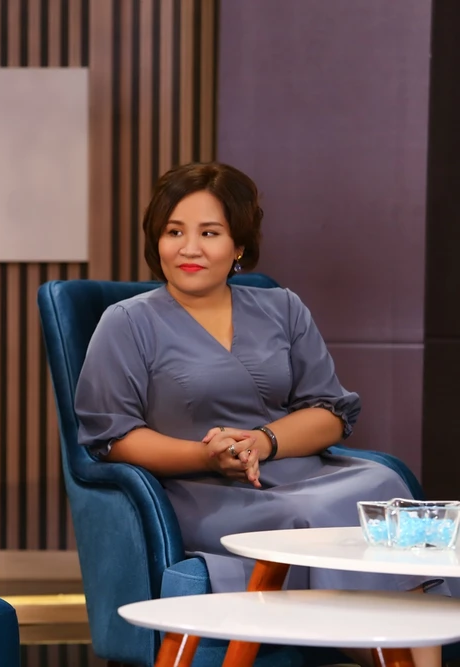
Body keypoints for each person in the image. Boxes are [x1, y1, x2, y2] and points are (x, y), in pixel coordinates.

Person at [74, 162, 440, 667]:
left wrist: (263, 441)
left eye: (209, 233)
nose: (189, 248)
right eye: (174, 232)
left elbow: (329, 411)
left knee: (382, 484)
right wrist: (208, 456)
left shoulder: (282, 308)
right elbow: (112, 438)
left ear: (239, 245)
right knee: (306, 519)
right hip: (204, 490)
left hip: (297, 467)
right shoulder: (126, 323)